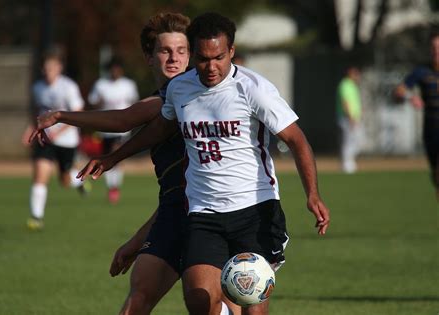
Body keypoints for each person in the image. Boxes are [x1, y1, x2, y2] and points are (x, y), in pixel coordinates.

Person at [77, 12, 330, 315]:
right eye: (202, 58)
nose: (211, 67)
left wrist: (312, 194)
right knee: (199, 299)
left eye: (219, 57)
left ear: (231, 51)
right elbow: (159, 128)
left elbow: (296, 140)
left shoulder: (254, 89)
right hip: (204, 213)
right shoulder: (180, 89)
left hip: (254, 210)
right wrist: (112, 158)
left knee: (252, 307)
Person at [29, 13, 238, 315]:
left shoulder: (196, 93)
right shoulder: (166, 98)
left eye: (182, 51)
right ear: (149, 56)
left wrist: (61, 116)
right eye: (165, 50)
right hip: (173, 215)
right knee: (137, 299)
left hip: (215, 214)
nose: (174, 58)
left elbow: (124, 118)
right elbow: (174, 192)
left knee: (217, 305)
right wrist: (138, 240)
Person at [21, 48, 87, 231]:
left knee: (64, 180)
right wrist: (30, 129)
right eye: (45, 68)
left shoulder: (68, 87)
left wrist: (60, 131)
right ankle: (36, 217)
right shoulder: (37, 88)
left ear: (59, 68)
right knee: (40, 175)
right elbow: (36, 113)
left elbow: (78, 112)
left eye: (51, 68)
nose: (47, 71)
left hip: (67, 141)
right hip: (46, 140)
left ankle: (79, 181)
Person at [88, 56, 139, 203]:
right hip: (105, 128)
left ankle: (115, 187)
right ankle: (111, 186)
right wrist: (100, 103)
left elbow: (135, 103)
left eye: (118, 68)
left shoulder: (128, 85)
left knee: (116, 154)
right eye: (113, 69)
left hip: (123, 128)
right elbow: (93, 103)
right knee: (106, 157)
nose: (115, 71)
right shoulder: (101, 85)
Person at [394, 31, 439, 200]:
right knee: (436, 172)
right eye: (434, 47)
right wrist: (410, 97)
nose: (436, 51)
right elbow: (398, 91)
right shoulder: (422, 72)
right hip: (431, 131)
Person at [336, 66, 363, 174]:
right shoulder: (345, 85)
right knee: (349, 141)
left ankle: (349, 161)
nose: (358, 76)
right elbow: (345, 102)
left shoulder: (352, 85)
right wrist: (350, 117)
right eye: (355, 74)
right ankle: (347, 164)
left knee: (357, 140)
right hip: (347, 118)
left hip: (354, 117)